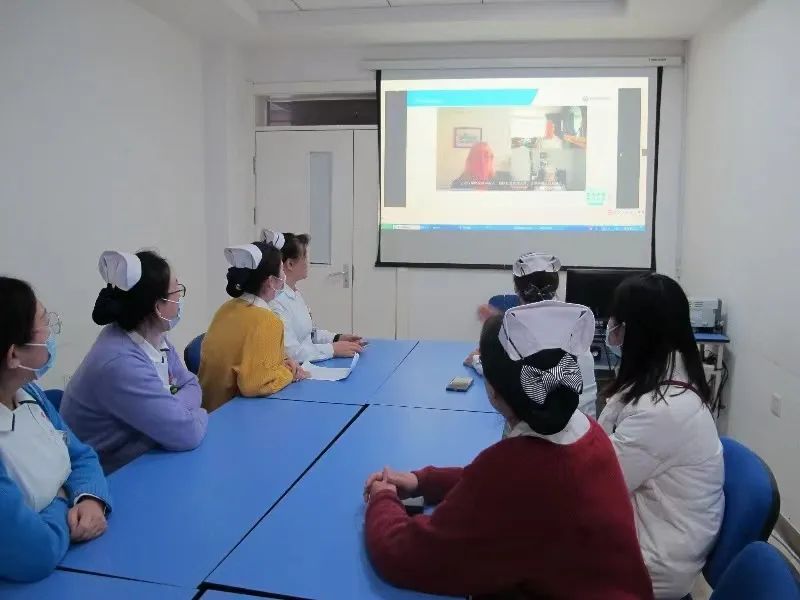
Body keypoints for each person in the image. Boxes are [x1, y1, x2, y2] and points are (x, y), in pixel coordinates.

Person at [363, 302, 653, 599]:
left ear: (492, 389)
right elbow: (488, 485)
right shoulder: (585, 430)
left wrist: (382, 498)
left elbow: (403, 555)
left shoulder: (516, 468)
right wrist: (422, 481)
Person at [598, 273, 724, 599]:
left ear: (639, 332)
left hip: (656, 563)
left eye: (618, 322)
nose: (611, 329)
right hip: (657, 528)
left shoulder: (663, 412)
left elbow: (597, 484)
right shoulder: (661, 382)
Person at [0, 277, 111, 582]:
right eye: (44, 323)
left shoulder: (29, 393)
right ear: (13, 355)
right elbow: (33, 552)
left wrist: (89, 499)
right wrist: (64, 500)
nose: (51, 332)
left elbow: (82, 456)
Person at [60, 251, 208, 474]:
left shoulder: (153, 336)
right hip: (115, 475)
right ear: (158, 306)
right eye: (176, 289)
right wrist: (198, 413)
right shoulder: (119, 362)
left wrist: (172, 410)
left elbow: (192, 384)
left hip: (150, 455)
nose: (180, 296)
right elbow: (188, 433)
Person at [466, 252, 598, 417]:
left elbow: (506, 377)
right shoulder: (575, 321)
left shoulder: (516, 334)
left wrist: (477, 359)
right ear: (555, 287)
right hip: (586, 422)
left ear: (517, 290)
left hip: (545, 423)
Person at [199, 233, 307, 413]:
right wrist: (289, 372)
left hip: (209, 408)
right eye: (281, 271)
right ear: (271, 281)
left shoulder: (227, 308)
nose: (284, 277)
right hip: (234, 412)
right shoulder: (267, 320)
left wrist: (282, 364)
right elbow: (257, 385)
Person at [268, 230, 364, 363]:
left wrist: (337, 338)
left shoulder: (294, 293)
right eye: (304, 257)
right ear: (290, 264)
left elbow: (309, 334)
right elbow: (291, 353)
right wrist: (332, 349)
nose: (307, 262)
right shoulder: (275, 301)